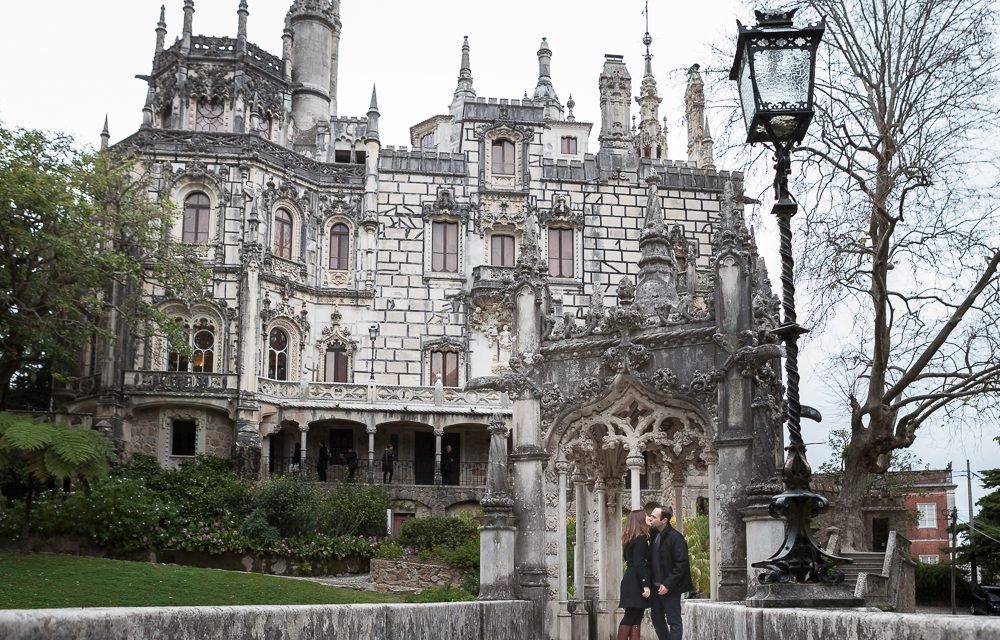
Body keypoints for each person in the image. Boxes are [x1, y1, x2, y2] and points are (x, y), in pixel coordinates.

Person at [647, 505, 693, 640]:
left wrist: (667, 584)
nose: (650, 518)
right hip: (655, 587)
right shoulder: (654, 534)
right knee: (657, 619)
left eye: (654, 517)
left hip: (671, 588)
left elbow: (681, 564)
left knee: (674, 621)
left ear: (664, 520)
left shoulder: (676, 538)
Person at [618, 509, 652, 640]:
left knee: (637, 617)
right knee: (631, 616)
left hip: (631, 578)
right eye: (646, 516)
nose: (649, 517)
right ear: (640, 519)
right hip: (636, 582)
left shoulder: (630, 539)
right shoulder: (640, 539)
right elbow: (639, 564)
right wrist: (645, 585)